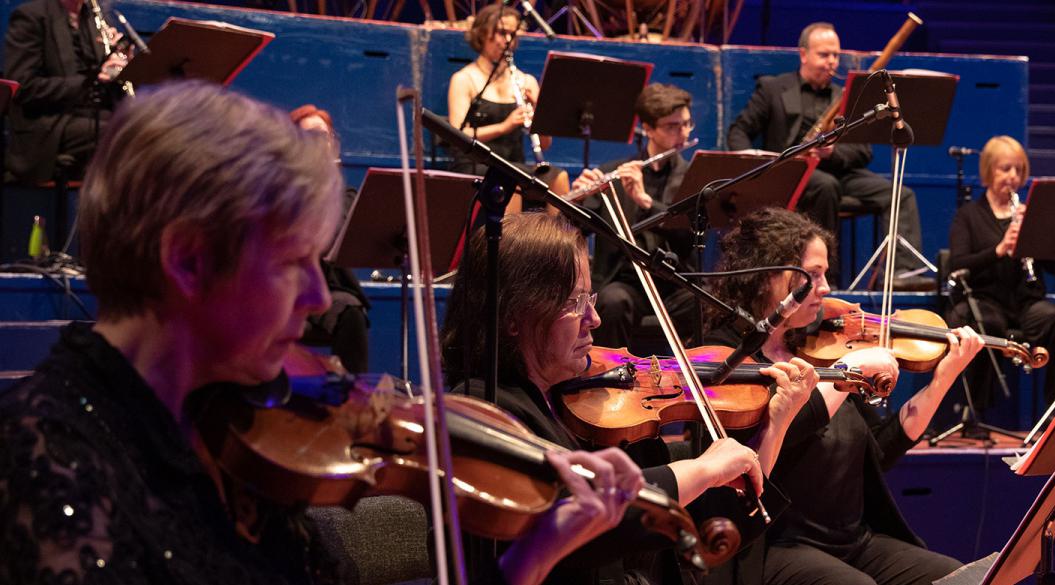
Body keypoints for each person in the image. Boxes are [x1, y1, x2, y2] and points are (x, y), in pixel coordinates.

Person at [0, 80, 611, 585]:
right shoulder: (44, 459)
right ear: (187, 260)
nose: (319, 297)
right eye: (294, 264)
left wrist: (525, 567)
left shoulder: (237, 435)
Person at [440, 211, 816, 585]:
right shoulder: (483, 411)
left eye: (590, 297)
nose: (595, 318)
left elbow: (705, 522)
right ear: (513, 317)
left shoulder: (597, 403)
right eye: (574, 303)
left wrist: (775, 425)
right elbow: (576, 525)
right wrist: (702, 469)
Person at [705, 207, 984, 585]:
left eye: (825, 274)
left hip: (854, 540)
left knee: (957, 578)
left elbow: (879, 452)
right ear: (769, 275)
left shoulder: (818, 347)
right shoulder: (729, 357)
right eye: (813, 275)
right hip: (778, 544)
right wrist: (847, 370)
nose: (825, 289)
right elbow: (784, 430)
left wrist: (942, 380)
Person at [725, 22, 929, 290]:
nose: (832, 62)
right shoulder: (773, 88)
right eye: (824, 55)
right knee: (825, 186)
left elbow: (862, 151)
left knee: (900, 194)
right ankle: (825, 279)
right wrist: (758, 165)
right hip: (792, 172)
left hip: (837, 171)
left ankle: (901, 272)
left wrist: (831, 152)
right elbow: (739, 130)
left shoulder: (845, 96)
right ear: (803, 55)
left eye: (835, 55)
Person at [942, 136, 1055, 421]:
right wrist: (999, 250)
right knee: (986, 324)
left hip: (1025, 303)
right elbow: (958, 264)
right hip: (985, 299)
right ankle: (975, 412)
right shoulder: (969, 215)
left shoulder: (1029, 215)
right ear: (989, 171)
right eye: (1005, 169)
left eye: (1018, 169)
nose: (1012, 176)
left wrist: (1038, 236)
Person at [572, 83, 700, 350]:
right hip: (626, 282)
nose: (683, 133)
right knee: (613, 301)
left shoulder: (693, 176)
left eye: (687, 124)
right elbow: (575, 230)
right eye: (672, 126)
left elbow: (689, 235)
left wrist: (646, 201)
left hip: (673, 285)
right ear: (649, 129)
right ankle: (607, 376)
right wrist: (577, 201)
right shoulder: (614, 173)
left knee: (709, 303)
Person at [447, 3, 569, 203]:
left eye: (513, 35)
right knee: (508, 179)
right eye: (501, 33)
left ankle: (559, 235)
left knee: (558, 178)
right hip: (475, 164)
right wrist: (505, 126)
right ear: (483, 34)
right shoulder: (464, 79)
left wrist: (540, 112)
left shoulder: (525, 80)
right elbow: (459, 135)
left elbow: (545, 143)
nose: (507, 41)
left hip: (514, 163)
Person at [4, 0, 128, 186]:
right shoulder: (31, 16)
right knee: (121, 134)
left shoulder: (93, 17)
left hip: (87, 113)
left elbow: (102, 76)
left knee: (139, 126)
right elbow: (24, 87)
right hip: (48, 124)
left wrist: (118, 61)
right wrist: (91, 80)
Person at [289, 104, 372, 373]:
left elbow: (332, 236)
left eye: (324, 137)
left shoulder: (343, 195)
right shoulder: (281, 192)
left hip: (329, 288)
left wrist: (326, 183)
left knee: (351, 312)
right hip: (287, 286)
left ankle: (353, 395)